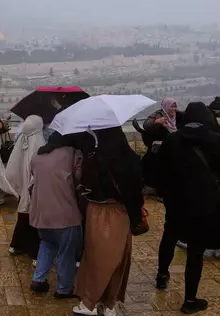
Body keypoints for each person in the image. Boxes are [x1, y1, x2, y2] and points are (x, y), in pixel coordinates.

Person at [156, 102, 220, 314]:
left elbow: (158, 174)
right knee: (195, 252)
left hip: (176, 205)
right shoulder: (216, 141)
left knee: (169, 237)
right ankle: (190, 299)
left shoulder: (172, 141)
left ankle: (162, 275)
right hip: (204, 207)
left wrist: (168, 195)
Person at [72, 128, 145, 316]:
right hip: (121, 214)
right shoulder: (131, 158)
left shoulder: (93, 158)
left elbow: (83, 186)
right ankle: (110, 303)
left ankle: (90, 303)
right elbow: (137, 191)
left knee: (96, 258)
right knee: (117, 259)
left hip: (97, 212)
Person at [29, 132, 83, 298]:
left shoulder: (37, 155)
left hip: (40, 213)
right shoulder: (73, 154)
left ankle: (38, 280)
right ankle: (64, 289)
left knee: (47, 244)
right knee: (67, 252)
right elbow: (80, 178)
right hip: (65, 213)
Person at [6, 115, 46, 264]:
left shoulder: (22, 140)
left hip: (23, 188)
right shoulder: (40, 143)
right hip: (34, 189)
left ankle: (16, 245)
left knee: (24, 214)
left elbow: (12, 170)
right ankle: (35, 253)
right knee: (35, 219)